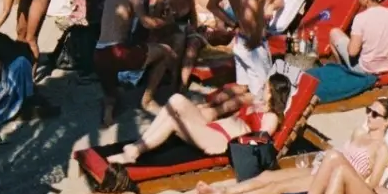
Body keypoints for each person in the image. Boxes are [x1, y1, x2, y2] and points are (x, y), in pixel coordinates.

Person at [197, 97, 388, 194]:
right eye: (368, 110)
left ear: (387, 122)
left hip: (331, 180)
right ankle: (222, 192)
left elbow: (370, 186)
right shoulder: (359, 132)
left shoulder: (382, 150)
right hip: (320, 166)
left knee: (277, 187)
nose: (369, 116)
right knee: (268, 175)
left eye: (375, 114)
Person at [111, 73, 290, 165]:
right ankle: (137, 145)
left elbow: (260, 140)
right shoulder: (257, 102)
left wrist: (239, 137)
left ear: (273, 92)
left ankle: (134, 152)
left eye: (267, 88)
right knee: (176, 100)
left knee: (174, 121)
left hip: (220, 142)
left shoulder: (272, 117)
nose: (263, 89)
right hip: (213, 127)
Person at [93, 0, 176, 127]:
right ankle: (147, 99)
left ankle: (108, 115)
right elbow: (147, 22)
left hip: (99, 52)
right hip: (118, 52)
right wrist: (165, 22)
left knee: (110, 89)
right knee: (165, 51)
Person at [207, 0, 281, 95]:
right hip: (254, 45)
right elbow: (250, 18)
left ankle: (206, 108)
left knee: (242, 88)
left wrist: (233, 23)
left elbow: (212, 5)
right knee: (263, 93)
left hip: (239, 42)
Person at [331, 0, 388, 75]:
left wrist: (350, 42)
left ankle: (342, 71)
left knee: (334, 33)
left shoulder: (360, 18)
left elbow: (352, 52)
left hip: (367, 69)